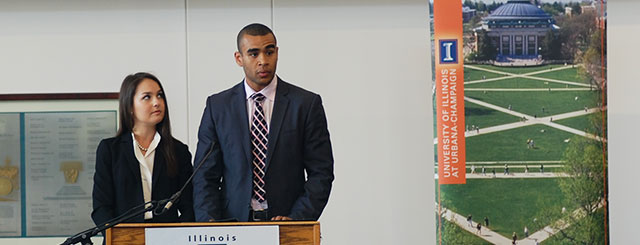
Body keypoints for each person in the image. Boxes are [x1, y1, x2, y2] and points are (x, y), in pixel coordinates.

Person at [192, 23, 334, 222]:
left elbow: (321, 172)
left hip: (287, 222)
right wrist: (210, 225)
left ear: (277, 53)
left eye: (269, 52)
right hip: (233, 224)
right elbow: (204, 176)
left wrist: (297, 219)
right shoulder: (218, 107)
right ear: (238, 58)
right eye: (253, 54)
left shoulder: (305, 104)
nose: (263, 61)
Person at [92, 72, 195, 228]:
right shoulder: (110, 150)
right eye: (147, 97)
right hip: (123, 238)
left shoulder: (178, 151)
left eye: (160, 96)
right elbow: (101, 207)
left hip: (167, 237)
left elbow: (189, 206)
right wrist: (118, 235)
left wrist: (179, 236)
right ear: (130, 106)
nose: (156, 102)